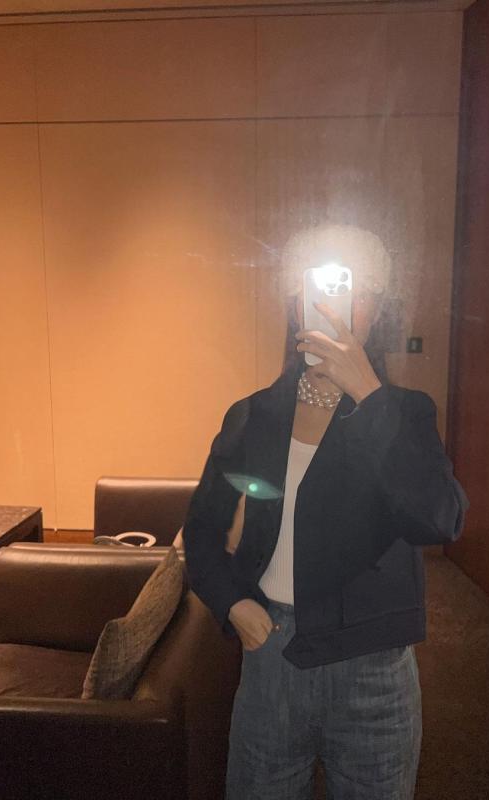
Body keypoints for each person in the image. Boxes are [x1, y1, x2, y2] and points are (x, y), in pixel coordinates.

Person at [182, 224, 469, 800]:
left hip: (374, 667)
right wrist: (232, 603)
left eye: (353, 291)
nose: (335, 307)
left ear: (375, 308)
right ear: (297, 305)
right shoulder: (254, 414)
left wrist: (370, 396)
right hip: (273, 652)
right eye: (317, 290)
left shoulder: (405, 413)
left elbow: (439, 519)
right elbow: (202, 527)